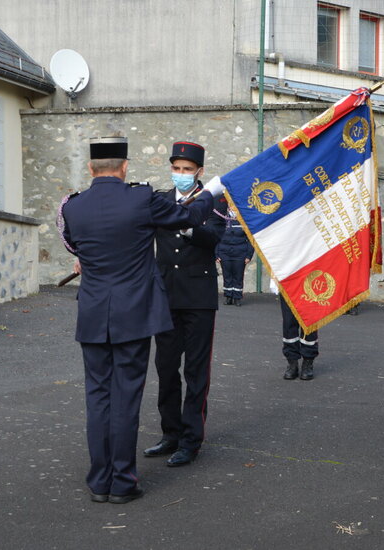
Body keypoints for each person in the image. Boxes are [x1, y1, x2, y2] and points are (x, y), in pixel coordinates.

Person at [61, 136, 220, 504]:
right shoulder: (142, 199)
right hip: (133, 314)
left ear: (90, 168)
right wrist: (214, 190)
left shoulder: (73, 207)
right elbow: (192, 215)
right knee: (125, 399)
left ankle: (99, 481)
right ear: (125, 167)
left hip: (92, 313)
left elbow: (74, 245)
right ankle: (123, 481)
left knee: (97, 399)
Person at [144, 141, 226, 468]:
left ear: (199, 172)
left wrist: (188, 224)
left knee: (195, 370)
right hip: (164, 295)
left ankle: (191, 440)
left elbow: (215, 236)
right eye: (176, 169)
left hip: (198, 297)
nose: (180, 175)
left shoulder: (214, 200)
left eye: (187, 170)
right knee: (165, 367)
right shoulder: (161, 200)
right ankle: (170, 433)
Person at [274, 279, 318, 381]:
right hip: (289, 280)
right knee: (289, 323)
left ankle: (308, 361)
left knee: (309, 323)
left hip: (309, 280)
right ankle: (292, 362)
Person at [216, 206, 254, 306]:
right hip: (224, 252)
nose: (232, 208)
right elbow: (216, 236)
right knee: (227, 276)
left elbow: (251, 240)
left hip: (240, 252)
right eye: (230, 206)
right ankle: (228, 297)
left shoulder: (244, 219)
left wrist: (249, 255)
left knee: (238, 276)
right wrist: (216, 254)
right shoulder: (222, 219)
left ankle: (237, 297)